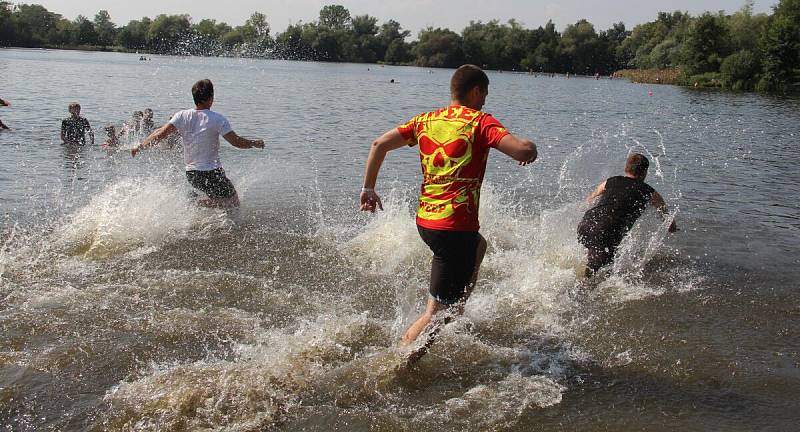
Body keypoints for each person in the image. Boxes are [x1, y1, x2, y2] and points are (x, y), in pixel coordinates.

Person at [359, 64, 537, 365]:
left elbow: (378, 144)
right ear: (476, 91)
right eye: (485, 94)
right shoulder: (479, 122)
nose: (485, 101)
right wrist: (531, 148)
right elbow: (520, 151)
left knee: (479, 247)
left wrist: (368, 188)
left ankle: (453, 306)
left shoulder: (426, 120)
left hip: (427, 222)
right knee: (435, 313)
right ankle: (398, 363)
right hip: (454, 228)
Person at [131, 79, 264, 208]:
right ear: (211, 98)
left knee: (219, 200)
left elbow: (160, 134)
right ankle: (194, 203)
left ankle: (209, 221)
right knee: (233, 203)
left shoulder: (181, 115)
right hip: (211, 172)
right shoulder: (217, 119)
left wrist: (140, 146)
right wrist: (253, 143)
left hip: (192, 174)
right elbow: (236, 142)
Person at [577, 153, 678, 277]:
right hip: (606, 229)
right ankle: (579, 289)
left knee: (595, 258)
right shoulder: (649, 192)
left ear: (626, 168)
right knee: (597, 274)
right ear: (645, 172)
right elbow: (667, 219)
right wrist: (672, 228)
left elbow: (588, 201)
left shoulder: (610, 181)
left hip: (586, 223)